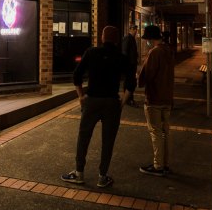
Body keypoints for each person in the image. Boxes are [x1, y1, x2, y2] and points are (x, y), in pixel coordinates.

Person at [61, 25, 132, 188]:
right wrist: (123, 101)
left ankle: (79, 173)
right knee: (108, 141)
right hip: (112, 102)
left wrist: (80, 96)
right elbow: (131, 83)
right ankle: (102, 176)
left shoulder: (91, 52)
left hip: (92, 101)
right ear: (116, 40)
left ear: (102, 37)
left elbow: (76, 75)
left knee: (84, 137)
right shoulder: (122, 57)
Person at [137, 25, 175, 176]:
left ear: (151, 39)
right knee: (165, 132)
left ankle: (157, 165)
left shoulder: (155, 52)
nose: (147, 42)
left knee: (155, 132)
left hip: (154, 98)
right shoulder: (168, 50)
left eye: (147, 39)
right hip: (167, 97)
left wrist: (139, 78)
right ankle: (165, 164)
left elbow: (148, 74)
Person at [121, 24, 139, 106]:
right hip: (129, 65)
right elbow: (124, 52)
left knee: (131, 82)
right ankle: (128, 99)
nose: (136, 31)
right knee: (129, 82)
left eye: (136, 29)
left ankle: (129, 98)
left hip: (132, 65)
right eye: (134, 29)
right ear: (130, 29)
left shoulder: (132, 38)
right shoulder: (127, 38)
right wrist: (126, 64)